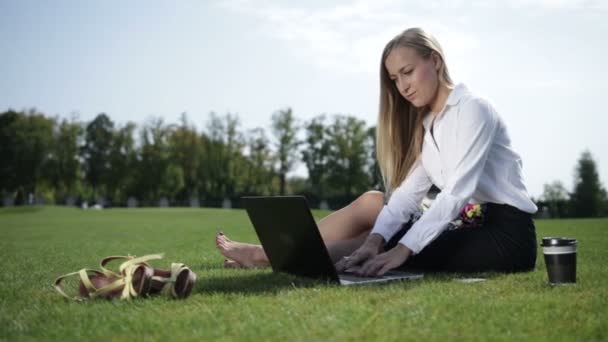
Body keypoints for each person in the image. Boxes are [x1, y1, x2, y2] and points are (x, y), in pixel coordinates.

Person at [215, 27, 538, 276]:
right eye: (395, 79)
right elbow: (407, 196)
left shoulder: (473, 109)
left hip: (507, 238)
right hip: (474, 225)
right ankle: (274, 255)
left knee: (398, 245)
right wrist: (374, 242)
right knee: (381, 234)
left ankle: (265, 256)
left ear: (435, 61)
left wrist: (399, 250)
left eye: (408, 72)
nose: (403, 87)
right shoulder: (429, 127)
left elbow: (456, 194)